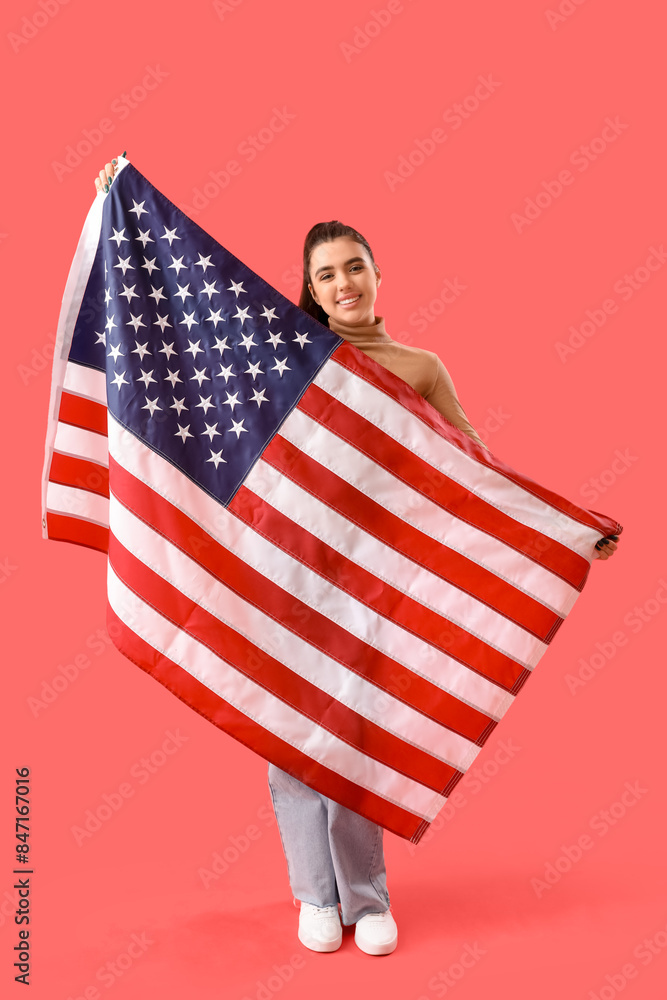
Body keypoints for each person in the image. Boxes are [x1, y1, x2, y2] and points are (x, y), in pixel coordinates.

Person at [94, 157, 619, 957]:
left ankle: (365, 898)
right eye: (326, 274)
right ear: (308, 289)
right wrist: (122, 206)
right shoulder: (287, 352)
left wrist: (565, 530)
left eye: (353, 267)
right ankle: (314, 894)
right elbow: (191, 307)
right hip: (286, 574)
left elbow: (475, 474)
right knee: (288, 736)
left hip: (370, 590)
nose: (343, 283)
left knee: (357, 738)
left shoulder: (420, 368)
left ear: (377, 274)